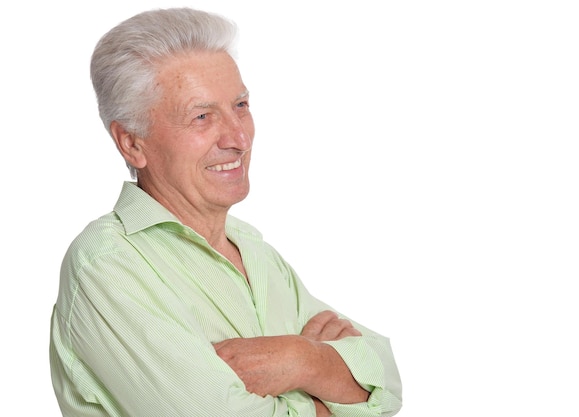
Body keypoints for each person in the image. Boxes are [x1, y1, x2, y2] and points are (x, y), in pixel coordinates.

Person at [49, 7, 402, 417]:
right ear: (132, 144)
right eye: (202, 117)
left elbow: (388, 384)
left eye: (241, 104)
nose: (238, 137)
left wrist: (302, 359)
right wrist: (331, 390)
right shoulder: (108, 266)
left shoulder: (255, 251)